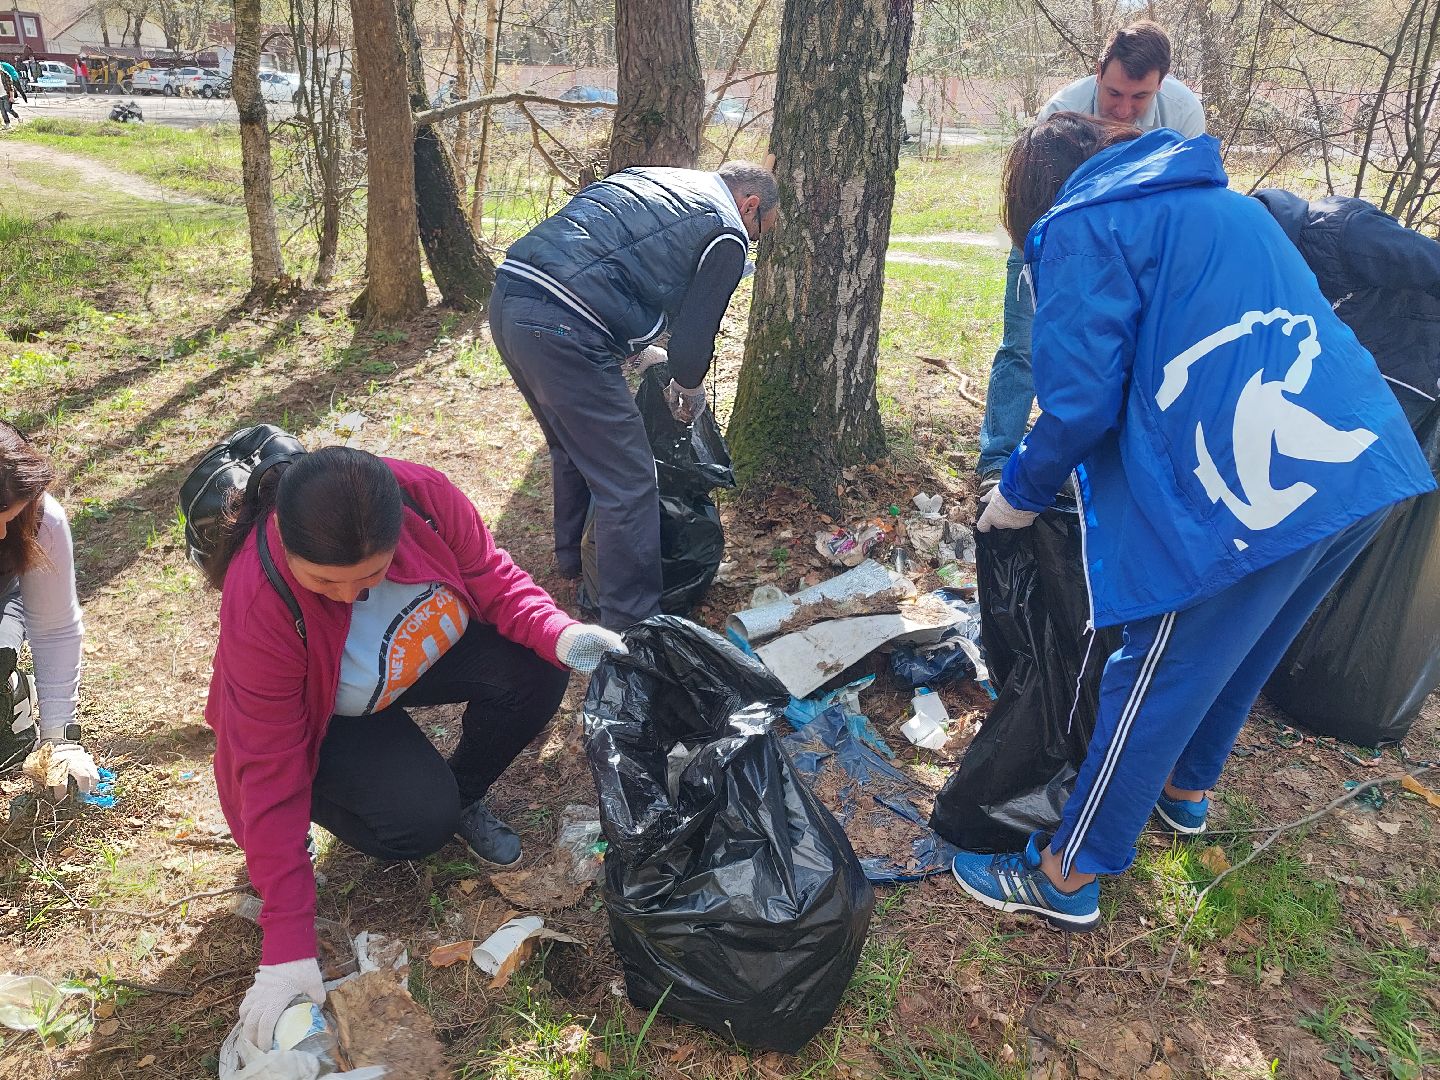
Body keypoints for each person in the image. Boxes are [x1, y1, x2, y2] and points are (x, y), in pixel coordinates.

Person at [949, 113, 1435, 930]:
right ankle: (1187, 789)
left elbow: (1079, 404)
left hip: (1254, 492)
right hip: (1358, 458)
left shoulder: (1081, 227)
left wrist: (1020, 493)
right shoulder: (1223, 202)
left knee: (1158, 666)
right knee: (1251, 641)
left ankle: (1070, 873)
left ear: (1034, 194)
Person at [204, 446, 625, 1049]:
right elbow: (268, 772)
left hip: (403, 661)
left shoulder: (423, 497)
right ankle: (389, 801)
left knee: (537, 664)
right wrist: (287, 948)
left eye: (370, 576)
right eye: (323, 581)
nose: (347, 597)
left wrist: (561, 632)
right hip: (321, 715)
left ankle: (463, 794)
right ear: (285, 543)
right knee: (418, 824)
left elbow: (493, 578)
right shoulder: (258, 600)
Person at [491, 160, 780, 630]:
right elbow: (694, 338)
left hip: (511, 297)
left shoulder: (656, 178)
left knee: (571, 445)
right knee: (628, 480)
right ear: (750, 205)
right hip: (564, 329)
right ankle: (631, 622)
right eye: (759, 232)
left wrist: (640, 347)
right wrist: (687, 386)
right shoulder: (726, 231)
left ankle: (573, 562)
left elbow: (612, 259)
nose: (752, 242)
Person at [976, 21, 1206, 490]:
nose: (1123, 110)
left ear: (1161, 84)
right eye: (1114, 93)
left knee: (1120, 357)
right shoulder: (1062, 109)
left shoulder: (1183, 113)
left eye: (1139, 98)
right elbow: (1039, 206)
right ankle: (997, 460)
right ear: (1099, 72)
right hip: (1050, 232)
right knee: (1023, 347)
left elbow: (1186, 200)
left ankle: (1094, 475)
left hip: (1136, 248)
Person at [1254, 189, 1440, 430]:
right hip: (1353, 381)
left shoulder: (1345, 232)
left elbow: (1431, 262)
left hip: (1409, 369)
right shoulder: (1267, 271)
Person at [0, 423, 100, 797]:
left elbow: (54, 628)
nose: (2, 535)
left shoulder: (42, 518)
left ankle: (11, 692)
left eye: (9, 520)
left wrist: (60, 740)